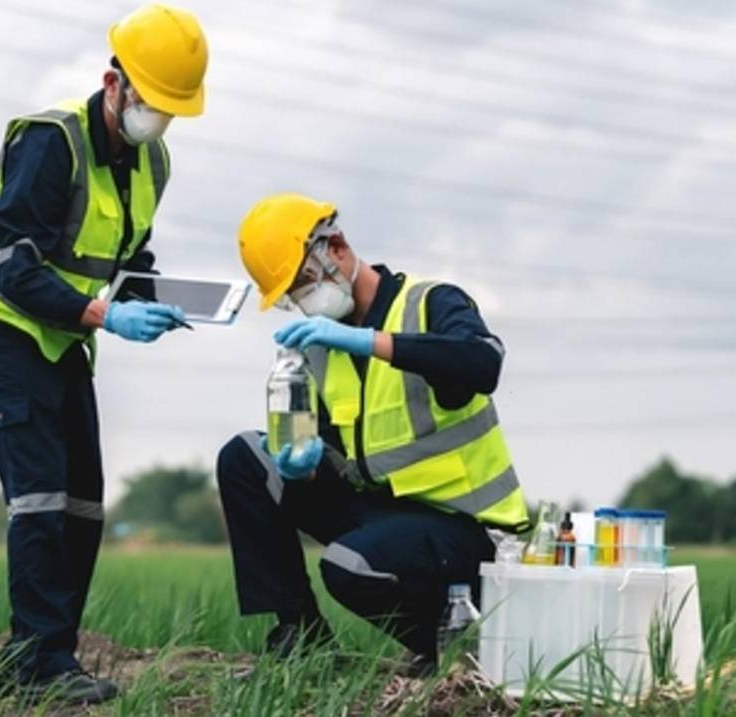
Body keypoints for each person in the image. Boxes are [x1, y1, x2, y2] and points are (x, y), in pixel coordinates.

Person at [0, 4, 208, 704]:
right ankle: (31, 671)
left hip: (62, 333)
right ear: (112, 82)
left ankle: (53, 657)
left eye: (170, 110)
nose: (159, 120)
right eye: (151, 103)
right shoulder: (50, 141)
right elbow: (16, 269)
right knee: (40, 497)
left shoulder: (153, 162)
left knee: (83, 500)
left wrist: (152, 294)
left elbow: (124, 254)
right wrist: (106, 314)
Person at [218, 194, 530, 676]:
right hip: (385, 513)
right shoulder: (322, 348)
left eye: (304, 283)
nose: (304, 302)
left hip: (467, 531)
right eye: (291, 297)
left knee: (349, 565)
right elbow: (338, 447)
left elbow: (482, 363)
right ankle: (301, 637)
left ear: (337, 247)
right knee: (244, 457)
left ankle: (454, 645)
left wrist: (373, 342)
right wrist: (301, 459)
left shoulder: (430, 304)